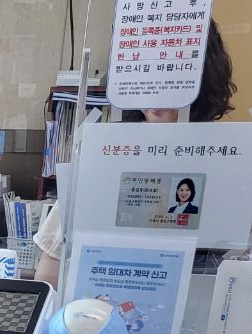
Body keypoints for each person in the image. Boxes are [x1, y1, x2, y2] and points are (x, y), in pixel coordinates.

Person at [33, 19, 235, 287]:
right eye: (145, 72)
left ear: (202, 75)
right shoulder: (108, 152)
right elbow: (51, 264)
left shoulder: (226, 158)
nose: (157, 89)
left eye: (172, 72)